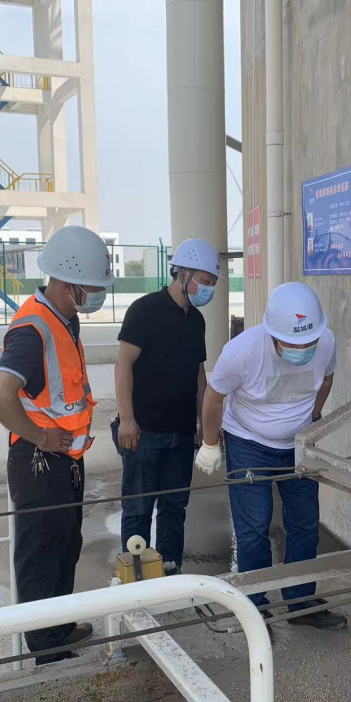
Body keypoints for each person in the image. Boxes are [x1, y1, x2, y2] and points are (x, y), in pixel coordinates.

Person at [0, 225, 113, 664]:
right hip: (39, 459)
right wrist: (40, 436)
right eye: (94, 286)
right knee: (40, 556)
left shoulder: (64, 318)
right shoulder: (33, 329)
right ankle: (47, 652)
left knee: (63, 548)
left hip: (63, 459)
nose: (98, 294)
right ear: (68, 282)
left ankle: (59, 629)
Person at [195, 282, 346, 629]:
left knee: (305, 525)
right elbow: (214, 397)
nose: (302, 350)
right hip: (249, 443)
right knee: (253, 528)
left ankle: (300, 602)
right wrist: (210, 443)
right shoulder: (242, 352)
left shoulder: (325, 341)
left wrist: (313, 419)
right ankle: (254, 606)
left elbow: (326, 379)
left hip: (299, 445)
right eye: (293, 345)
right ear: (273, 334)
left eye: (308, 343)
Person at [113, 239, 221, 573]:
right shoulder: (145, 310)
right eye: (205, 280)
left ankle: (170, 572)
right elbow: (123, 364)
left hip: (181, 434)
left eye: (213, 283)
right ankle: (136, 577)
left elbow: (199, 376)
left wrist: (203, 424)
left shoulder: (196, 321)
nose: (209, 288)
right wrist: (127, 419)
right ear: (183, 273)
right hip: (144, 432)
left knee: (175, 508)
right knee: (138, 509)